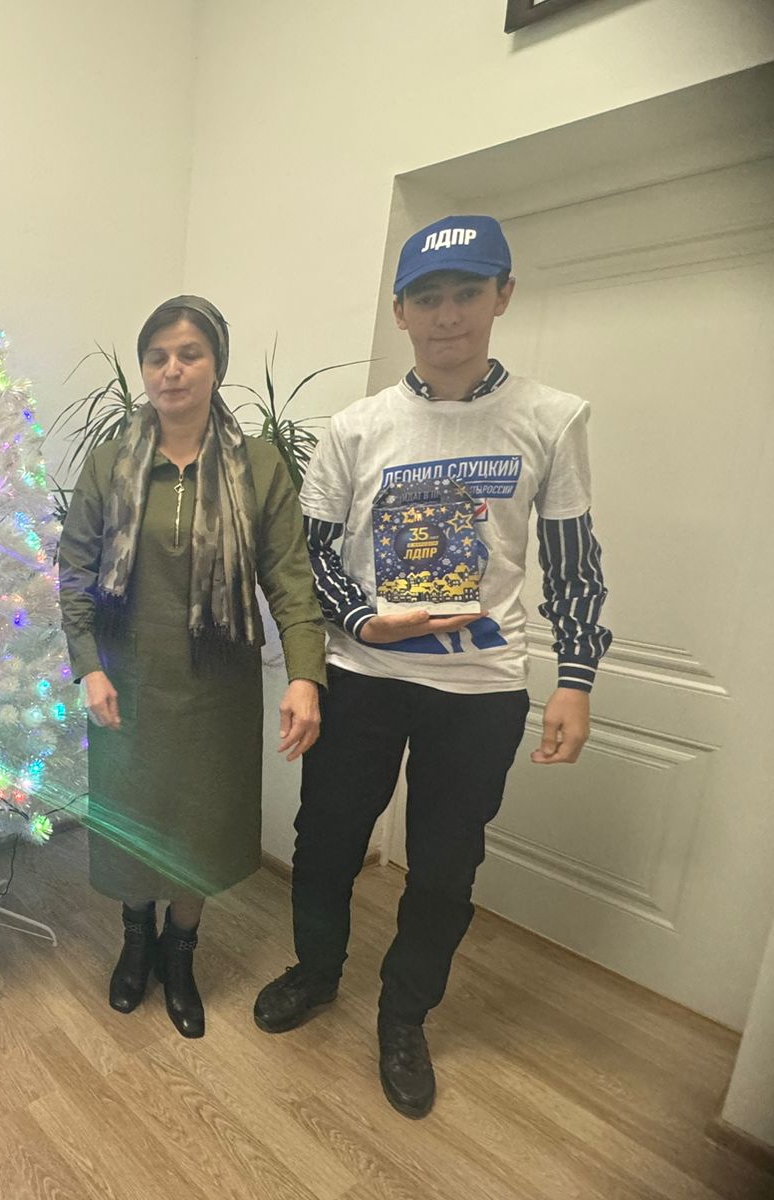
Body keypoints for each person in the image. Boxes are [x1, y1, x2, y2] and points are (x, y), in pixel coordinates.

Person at [252, 215, 611, 1119]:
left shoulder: (551, 418)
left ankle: (404, 1018)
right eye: (429, 298)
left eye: (467, 294)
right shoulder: (357, 427)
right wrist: (365, 620)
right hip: (363, 677)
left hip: (479, 690)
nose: (448, 315)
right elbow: (311, 553)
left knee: (446, 868)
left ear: (502, 297)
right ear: (402, 312)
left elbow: (573, 562)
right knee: (325, 843)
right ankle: (316, 971)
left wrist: (575, 678)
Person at [57, 295, 327, 1039]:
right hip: (128, 682)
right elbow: (75, 569)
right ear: (144, 368)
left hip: (217, 686)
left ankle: (180, 953)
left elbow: (290, 578)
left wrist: (305, 674)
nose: (171, 370)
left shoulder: (259, 465)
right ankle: (135, 940)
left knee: (198, 823)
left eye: (189, 354)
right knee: (135, 817)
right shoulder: (111, 462)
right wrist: (89, 666)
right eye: (158, 357)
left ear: (216, 365)